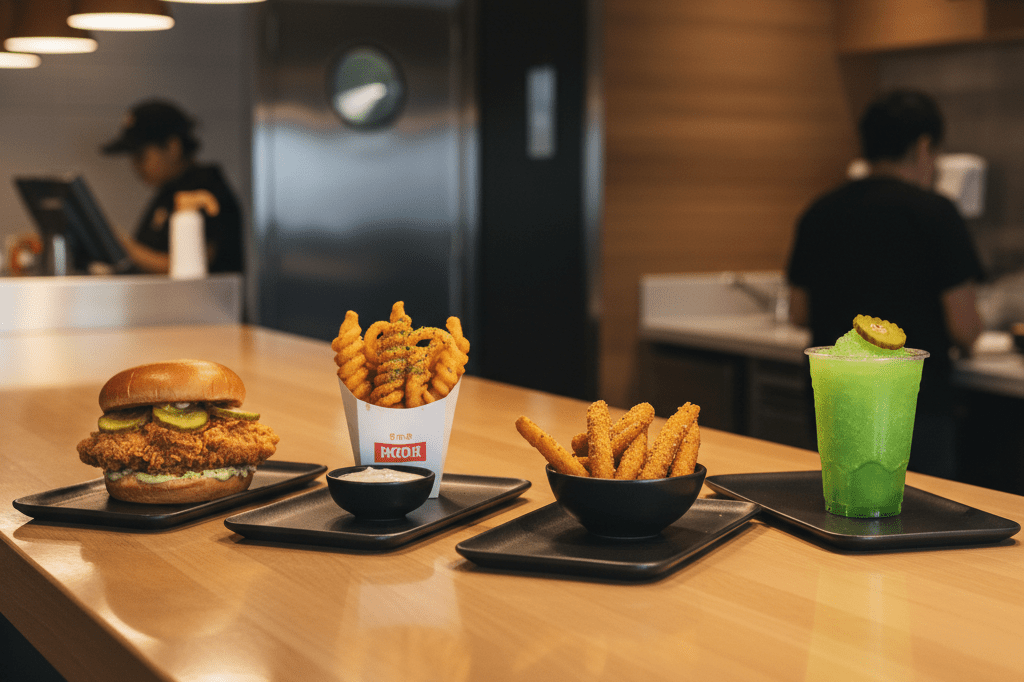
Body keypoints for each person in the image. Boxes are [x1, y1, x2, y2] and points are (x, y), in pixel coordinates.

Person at [786, 89, 985, 479]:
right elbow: (965, 328)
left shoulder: (819, 211)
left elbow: (799, 311)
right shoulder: (936, 213)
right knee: (914, 517)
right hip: (913, 408)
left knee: (840, 503)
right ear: (924, 146)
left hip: (834, 402)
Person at [101, 100, 243, 274]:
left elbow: (196, 267)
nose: (135, 167)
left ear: (173, 147)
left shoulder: (207, 191)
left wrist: (126, 247)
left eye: (140, 156)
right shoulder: (167, 192)